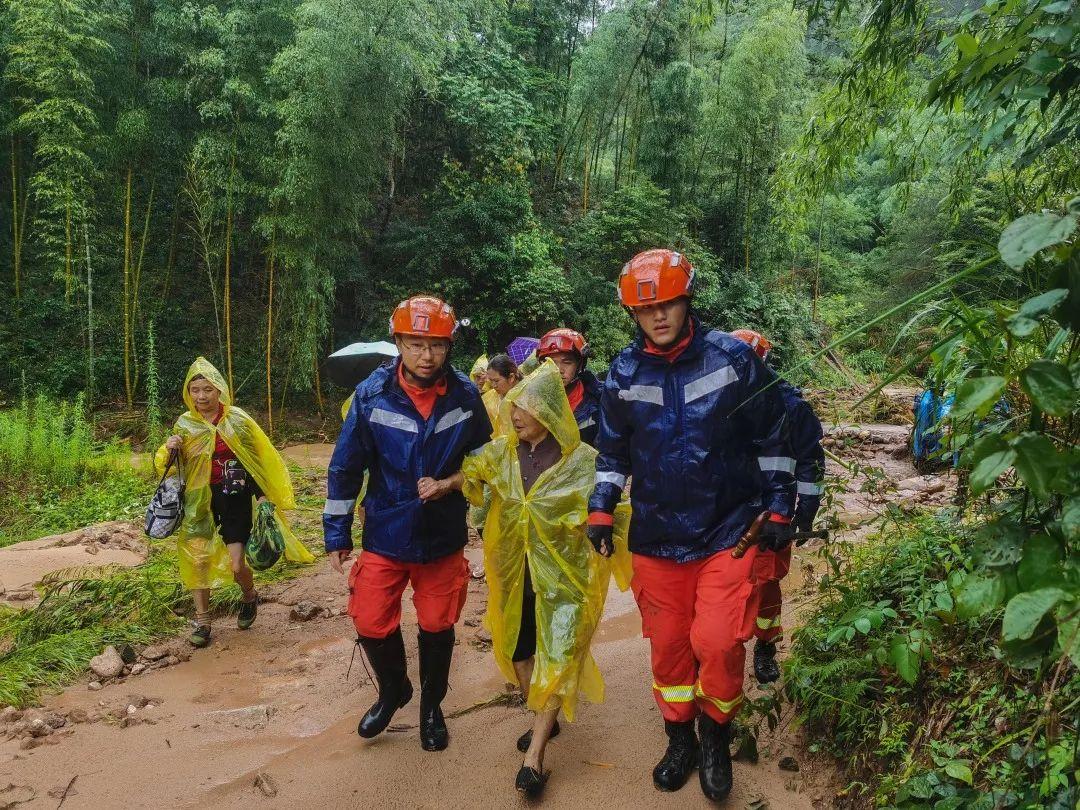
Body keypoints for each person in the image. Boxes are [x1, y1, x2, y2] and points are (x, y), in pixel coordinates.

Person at [585, 249, 796, 802]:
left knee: (721, 642)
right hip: (657, 539)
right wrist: (602, 507)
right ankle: (678, 737)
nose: (658, 316)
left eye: (668, 303)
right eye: (645, 308)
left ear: (687, 300)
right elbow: (612, 453)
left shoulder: (732, 359)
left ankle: (714, 738)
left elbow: (776, 432)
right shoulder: (623, 373)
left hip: (728, 530)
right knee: (671, 650)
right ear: (632, 313)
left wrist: (779, 507)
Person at [323, 295, 492, 752]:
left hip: (442, 535)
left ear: (449, 346)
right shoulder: (371, 395)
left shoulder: (465, 396)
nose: (426, 355)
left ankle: (431, 707)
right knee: (371, 618)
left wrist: (453, 482)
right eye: (415, 343)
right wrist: (336, 532)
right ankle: (394, 690)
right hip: (387, 530)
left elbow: (486, 461)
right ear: (398, 342)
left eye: (436, 345)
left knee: (438, 623)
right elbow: (344, 467)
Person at [436, 360, 608, 796]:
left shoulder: (582, 463)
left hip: (564, 581)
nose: (513, 415)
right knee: (518, 652)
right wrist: (444, 484)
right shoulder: (503, 452)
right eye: (512, 407)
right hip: (516, 575)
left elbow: (610, 509)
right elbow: (471, 473)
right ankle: (542, 714)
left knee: (559, 653)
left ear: (549, 412)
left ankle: (534, 757)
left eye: (523, 409)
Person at [158, 357, 314, 648]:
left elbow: (255, 461)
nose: (202, 396)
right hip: (198, 501)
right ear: (188, 393)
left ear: (220, 391)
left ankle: (249, 595)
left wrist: (263, 496)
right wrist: (169, 449)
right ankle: (203, 621)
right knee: (198, 558)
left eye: (208, 389)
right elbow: (169, 467)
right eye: (195, 390)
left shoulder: (238, 421)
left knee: (236, 562)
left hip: (235, 497)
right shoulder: (185, 425)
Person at [732, 329, 825, 684]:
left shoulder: (791, 404)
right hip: (728, 511)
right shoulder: (717, 400)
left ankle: (766, 645)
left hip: (775, 510)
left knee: (767, 582)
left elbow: (810, 460)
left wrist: (805, 511)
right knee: (726, 581)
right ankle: (725, 647)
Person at [535, 328, 602, 447]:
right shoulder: (533, 402)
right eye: (551, 363)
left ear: (579, 364)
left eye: (567, 362)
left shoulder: (602, 400)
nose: (558, 370)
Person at [482, 354, 521, 430]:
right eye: (491, 381)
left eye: (496, 381)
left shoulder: (526, 398)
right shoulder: (490, 397)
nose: (493, 385)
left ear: (511, 377)